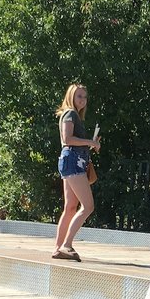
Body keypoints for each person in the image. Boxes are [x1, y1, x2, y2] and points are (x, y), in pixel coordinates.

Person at [52, 83, 100, 261]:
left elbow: (70, 140)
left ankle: (59, 248)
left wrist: (90, 144)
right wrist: (90, 142)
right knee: (88, 206)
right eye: (79, 96)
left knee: (70, 207)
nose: (83, 100)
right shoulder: (71, 113)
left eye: (85, 97)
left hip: (70, 161)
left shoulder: (72, 115)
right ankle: (66, 245)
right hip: (73, 161)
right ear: (71, 96)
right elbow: (67, 139)